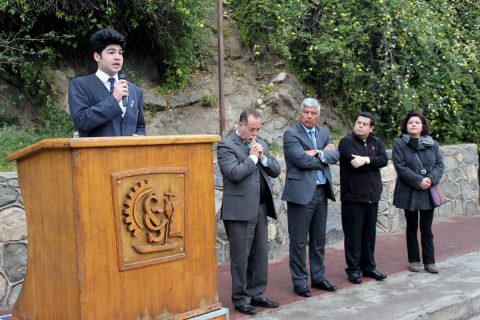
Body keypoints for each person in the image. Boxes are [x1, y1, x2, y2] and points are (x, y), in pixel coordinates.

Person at [217, 109, 281, 315]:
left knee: (260, 255)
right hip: (239, 211)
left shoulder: (260, 143)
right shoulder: (226, 145)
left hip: (261, 208)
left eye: (258, 129)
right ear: (241, 124)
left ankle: (258, 294)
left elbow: (275, 170)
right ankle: (241, 299)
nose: (255, 134)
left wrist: (262, 158)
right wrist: (253, 159)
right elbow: (234, 173)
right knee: (241, 258)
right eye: (251, 129)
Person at [282, 98, 339, 297]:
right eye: (306, 112)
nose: (309, 116)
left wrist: (315, 153)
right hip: (300, 194)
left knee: (318, 240)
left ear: (318, 115)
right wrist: (323, 155)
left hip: (321, 192)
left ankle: (319, 277)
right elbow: (299, 160)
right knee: (298, 241)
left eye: (313, 113)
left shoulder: (323, 132)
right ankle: (299, 281)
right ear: (300, 113)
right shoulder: (291, 134)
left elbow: (336, 155)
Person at [338, 112, 388, 284]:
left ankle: (369, 266)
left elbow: (384, 160)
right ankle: (353, 269)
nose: (359, 125)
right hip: (353, 198)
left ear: (371, 128)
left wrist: (367, 160)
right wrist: (372, 163)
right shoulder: (346, 142)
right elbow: (355, 164)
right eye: (358, 122)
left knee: (369, 235)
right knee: (353, 235)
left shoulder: (376, 142)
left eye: (364, 124)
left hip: (372, 197)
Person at [392, 111, 445, 274]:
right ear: (406, 126)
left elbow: (439, 164)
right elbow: (400, 166)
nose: (413, 124)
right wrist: (418, 181)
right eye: (410, 122)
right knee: (412, 227)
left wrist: (430, 179)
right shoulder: (399, 144)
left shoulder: (433, 144)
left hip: (428, 191)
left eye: (417, 122)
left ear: (423, 126)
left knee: (427, 228)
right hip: (409, 191)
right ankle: (414, 260)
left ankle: (430, 261)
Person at [68, 28, 146, 137]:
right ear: (97, 56)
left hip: (129, 153)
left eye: (120, 53)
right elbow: (81, 122)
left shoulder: (135, 90)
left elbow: (140, 126)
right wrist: (114, 100)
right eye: (111, 52)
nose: (117, 57)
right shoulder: (80, 85)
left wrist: (140, 135)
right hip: (96, 153)